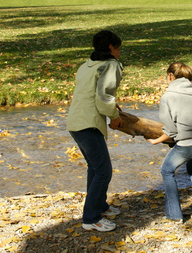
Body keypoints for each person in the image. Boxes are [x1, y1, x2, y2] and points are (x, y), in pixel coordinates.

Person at [66, 30, 123, 232]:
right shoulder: (110, 65)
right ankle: (90, 218)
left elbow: (90, 93)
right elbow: (103, 97)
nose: (119, 53)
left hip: (75, 121)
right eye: (118, 48)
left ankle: (99, 206)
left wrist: (111, 108)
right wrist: (114, 117)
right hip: (87, 124)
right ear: (110, 48)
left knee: (95, 167)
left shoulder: (86, 65)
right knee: (104, 170)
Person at [147, 62, 192, 223]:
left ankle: (174, 214)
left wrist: (155, 141)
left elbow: (171, 130)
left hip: (189, 145)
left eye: (166, 77)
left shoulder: (168, 97)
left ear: (170, 76)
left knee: (167, 170)